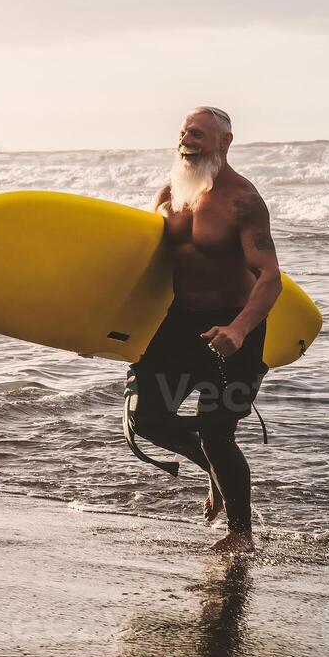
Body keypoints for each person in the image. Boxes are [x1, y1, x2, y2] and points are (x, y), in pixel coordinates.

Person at [127, 106, 282, 554]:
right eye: (183, 132)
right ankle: (212, 472)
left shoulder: (243, 201)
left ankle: (241, 534)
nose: (187, 139)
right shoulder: (169, 194)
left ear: (224, 142)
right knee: (147, 419)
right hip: (179, 325)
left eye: (197, 133)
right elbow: (141, 268)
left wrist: (238, 329)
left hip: (235, 328)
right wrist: (98, 327)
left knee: (217, 432)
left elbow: (269, 276)